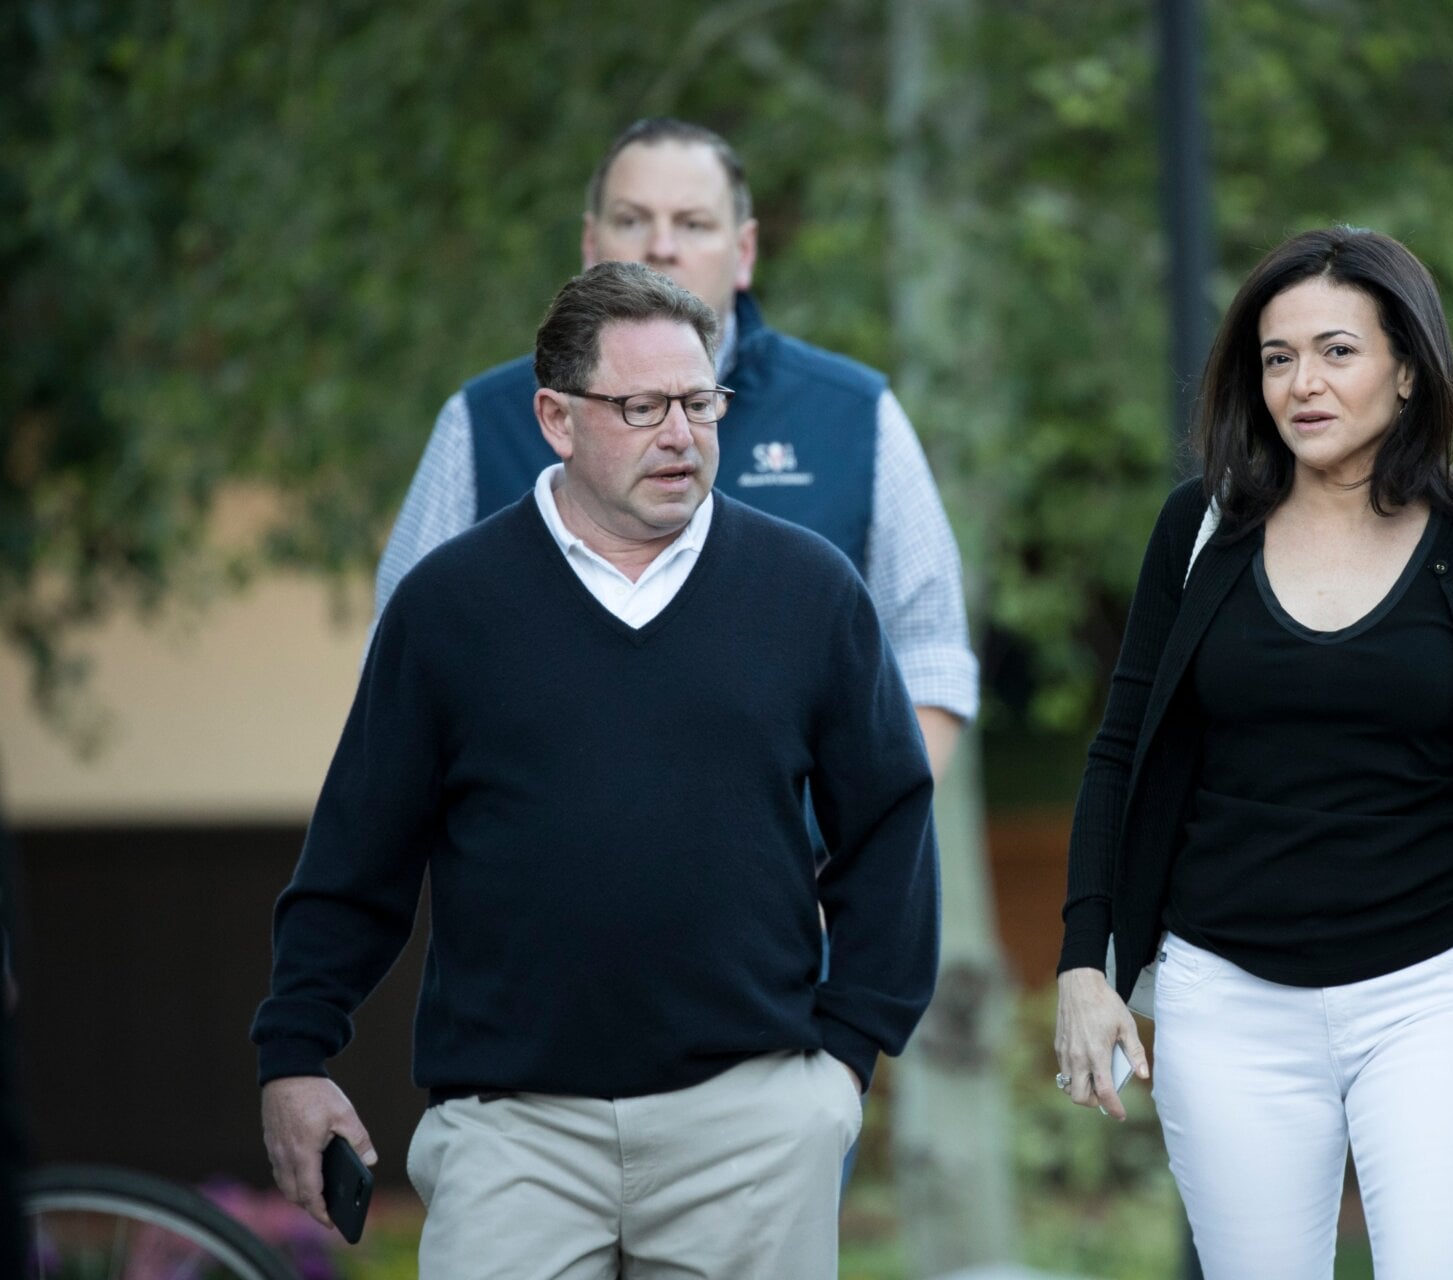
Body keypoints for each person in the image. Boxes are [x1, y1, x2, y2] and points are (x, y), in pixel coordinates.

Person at [253, 262, 939, 1280]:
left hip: (750, 1133)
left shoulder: (810, 594)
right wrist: (294, 1056)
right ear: (556, 417)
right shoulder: (448, 608)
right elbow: (359, 851)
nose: (681, 432)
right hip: (512, 1139)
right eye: (642, 405)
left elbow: (890, 825)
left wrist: (841, 1064)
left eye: (701, 401)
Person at [1051, 227, 1453, 1279]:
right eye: (1277, 358)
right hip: (1225, 997)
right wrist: (1087, 963)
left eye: (1336, 351)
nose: (1301, 383)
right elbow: (1118, 754)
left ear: (1408, 369)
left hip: (1434, 990)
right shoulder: (1198, 530)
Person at [375, 117, 976, 779]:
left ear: (744, 252)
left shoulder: (856, 416)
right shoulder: (481, 423)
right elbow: (398, 667)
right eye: (632, 221)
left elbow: (929, 660)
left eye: (693, 224)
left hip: (792, 878)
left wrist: (847, 867)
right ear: (589, 242)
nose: (661, 247)